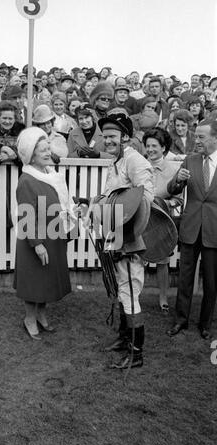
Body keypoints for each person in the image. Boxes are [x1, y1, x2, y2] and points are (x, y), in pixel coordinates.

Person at [97, 113, 154, 368]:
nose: (107, 141)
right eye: (105, 136)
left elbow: (145, 201)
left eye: (112, 136)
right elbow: (114, 197)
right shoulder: (115, 161)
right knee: (122, 289)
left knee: (130, 293)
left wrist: (128, 240)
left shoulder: (135, 160)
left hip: (131, 240)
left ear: (126, 137)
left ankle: (136, 353)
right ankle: (123, 338)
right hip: (116, 236)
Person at [14, 127, 76, 340]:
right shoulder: (26, 181)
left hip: (54, 236)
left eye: (48, 149)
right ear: (31, 155)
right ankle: (29, 318)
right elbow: (25, 217)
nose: (48, 153)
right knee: (34, 282)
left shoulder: (52, 175)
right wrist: (37, 244)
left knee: (46, 280)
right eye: (42, 151)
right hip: (36, 240)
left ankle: (41, 314)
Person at [167, 119, 217, 340]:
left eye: (201, 137)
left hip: (214, 231)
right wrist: (177, 180)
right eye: (195, 136)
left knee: (212, 281)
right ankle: (181, 320)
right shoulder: (190, 160)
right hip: (190, 228)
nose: (196, 141)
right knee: (185, 277)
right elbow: (172, 188)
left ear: (215, 138)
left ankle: (205, 324)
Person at [143, 128, 183, 311]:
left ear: (164, 147)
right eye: (147, 145)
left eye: (154, 146)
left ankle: (163, 297)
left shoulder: (174, 169)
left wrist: (162, 204)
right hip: (141, 219)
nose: (150, 149)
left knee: (162, 261)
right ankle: (135, 295)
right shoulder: (140, 165)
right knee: (136, 258)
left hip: (162, 221)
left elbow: (178, 200)